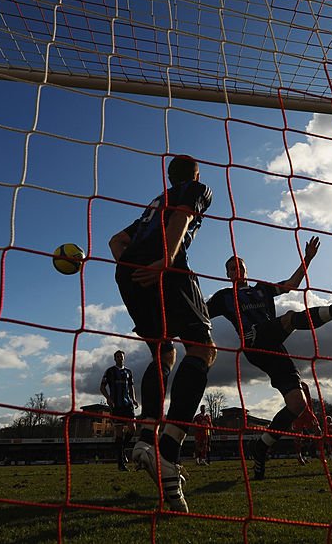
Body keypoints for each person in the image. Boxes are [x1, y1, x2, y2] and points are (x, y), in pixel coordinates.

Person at [110, 154, 215, 512]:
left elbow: (114, 242)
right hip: (164, 266)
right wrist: (165, 262)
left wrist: (133, 269)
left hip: (129, 273)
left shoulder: (152, 206)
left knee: (163, 352)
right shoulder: (197, 189)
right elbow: (185, 216)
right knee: (202, 350)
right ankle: (168, 450)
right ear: (195, 175)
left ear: (168, 177)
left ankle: (144, 439)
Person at [206, 237, 332, 480]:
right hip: (254, 342)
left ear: (246, 270)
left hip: (274, 346)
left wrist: (307, 259)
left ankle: (261, 448)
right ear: (227, 273)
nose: (237, 270)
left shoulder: (261, 289)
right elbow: (201, 313)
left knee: (297, 405)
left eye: (240, 266)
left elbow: (291, 284)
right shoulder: (223, 297)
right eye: (232, 268)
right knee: (288, 318)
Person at [101, 350, 139, 470]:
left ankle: (121, 451)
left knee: (133, 429)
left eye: (121, 357)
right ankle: (120, 464)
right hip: (116, 405)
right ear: (114, 358)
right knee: (119, 432)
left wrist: (133, 399)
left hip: (127, 405)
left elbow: (131, 386)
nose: (119, 358)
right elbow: (102, 387)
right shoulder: (110, 371)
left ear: (124, 358)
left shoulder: (128, 372)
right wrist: (108, 398)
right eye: (117, 357)